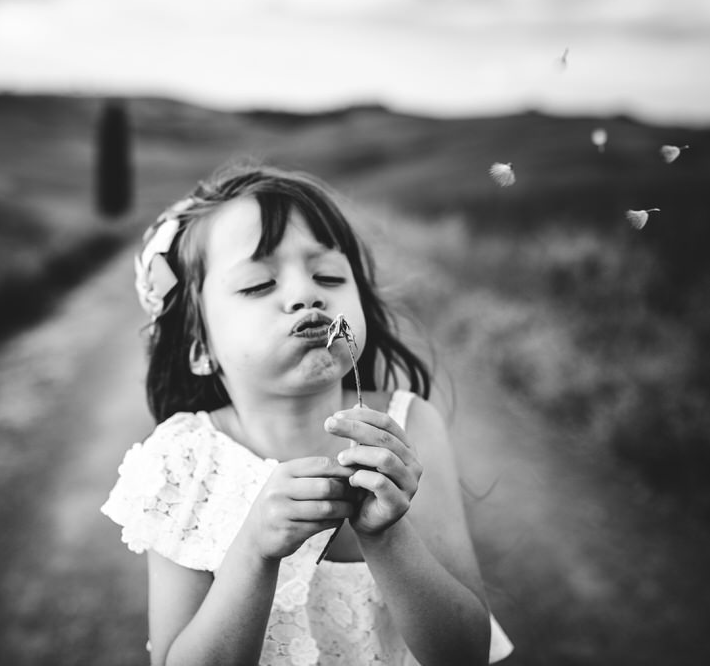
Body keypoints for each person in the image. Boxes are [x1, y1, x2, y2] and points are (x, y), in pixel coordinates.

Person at [102, 164, 513, 665]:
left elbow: (466, 653)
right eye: (257, 284)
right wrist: (252, 552)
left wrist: (385, 535)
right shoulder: (183, 461)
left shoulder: (410, 423)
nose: (307, 294)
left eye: (329, 275)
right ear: (198, 346)